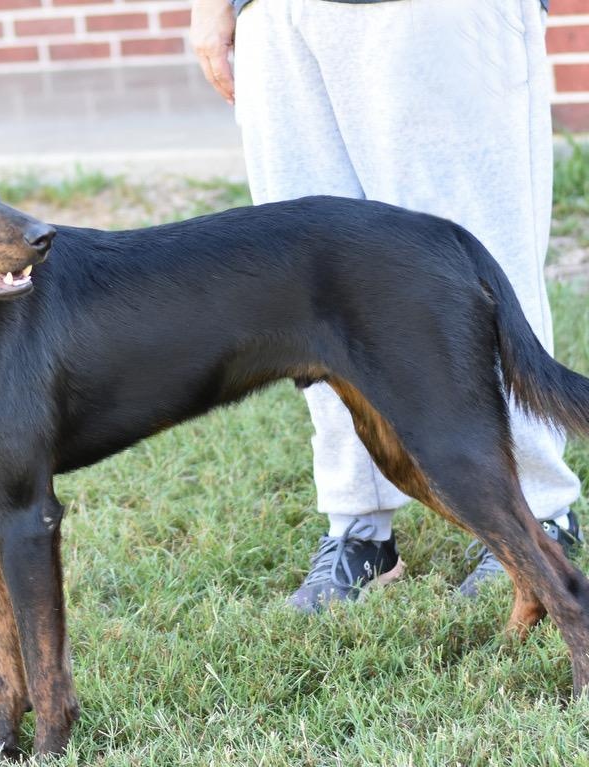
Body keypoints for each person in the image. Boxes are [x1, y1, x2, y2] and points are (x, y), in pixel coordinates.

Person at [190, 0, 584, 610]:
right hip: (277, 14)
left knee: (474, 264)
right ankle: (360, 527)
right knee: (315, 285)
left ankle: (536, 518)